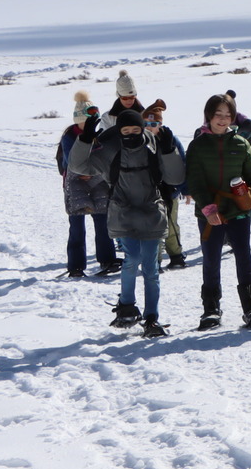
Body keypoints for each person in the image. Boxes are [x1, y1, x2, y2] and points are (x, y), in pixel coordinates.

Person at [68, 106, 184, 336]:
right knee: (132, 258)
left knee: (151, 267)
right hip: (123, 213)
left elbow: (176, 177)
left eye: (135, 129)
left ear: (141, 129)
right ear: (119, 131)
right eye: (126, 130)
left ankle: (152, 318)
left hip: (151, 212)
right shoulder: (110, 153)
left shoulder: (153, 149)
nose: (131, 134)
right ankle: (127, 306)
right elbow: (78, 165)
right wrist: (85, 139)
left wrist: (170, 151)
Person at [186, 94, 251, 330]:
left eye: (228, 115)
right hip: (210, 215)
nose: (223, 119)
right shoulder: (197, 145)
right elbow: (194, 182)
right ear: (208, 115)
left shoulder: (241, 143)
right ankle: (211, 310)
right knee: (211, 258)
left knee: (244, 255)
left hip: (238, 210)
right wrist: (208, 209)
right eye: (218, 114)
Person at [58, 91, 118, 278]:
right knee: (77, 224)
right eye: (87, 121)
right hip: (75, 183)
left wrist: (95, 170)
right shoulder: (69, 136)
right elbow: (71, 160)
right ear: (78, 120)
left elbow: (103, 156)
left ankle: (107, 259)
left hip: (98, 180)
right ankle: (76, 266)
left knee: (102, 221)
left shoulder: (99, 135)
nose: (92, 125)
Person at [143, 100, 188, 270]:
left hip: (170, 190)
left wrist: (185, 188)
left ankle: (176, 254)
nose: (150, 127)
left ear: (160, 125)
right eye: (146, 123)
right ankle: (155, 260)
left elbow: (181, 162)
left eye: (154, 124)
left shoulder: (170, 139)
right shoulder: (140, 140)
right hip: (148, 192)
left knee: (170, 224)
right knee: (153, 228)